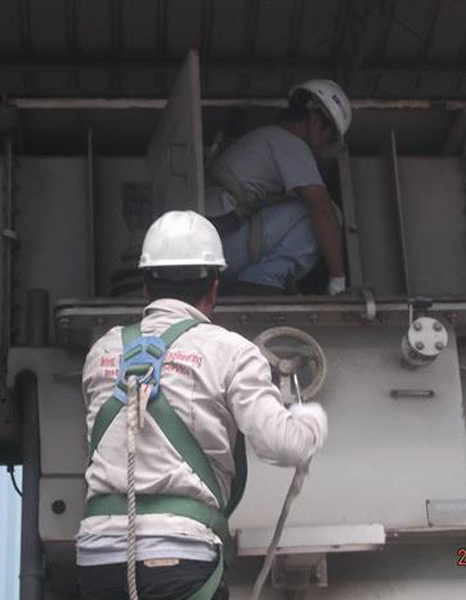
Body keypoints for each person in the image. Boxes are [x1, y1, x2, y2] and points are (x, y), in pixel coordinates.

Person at [75, 210, 328, 600]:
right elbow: (282, 445)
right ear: (213, 288)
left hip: (98, 559)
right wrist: (311, 421)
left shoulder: (103, 351)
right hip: (179, 557)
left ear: (145, 288)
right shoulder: (230, 351)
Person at [205, 79, 352, 296]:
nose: (323, 148)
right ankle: (260, 282)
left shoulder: (268, 138)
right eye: (329, 139)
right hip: (222, 245)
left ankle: (263, 282)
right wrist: (338, 283)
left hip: (211, 247)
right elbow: (322, 211)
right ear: (316, 122)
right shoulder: (291, 144)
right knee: (329, 212)